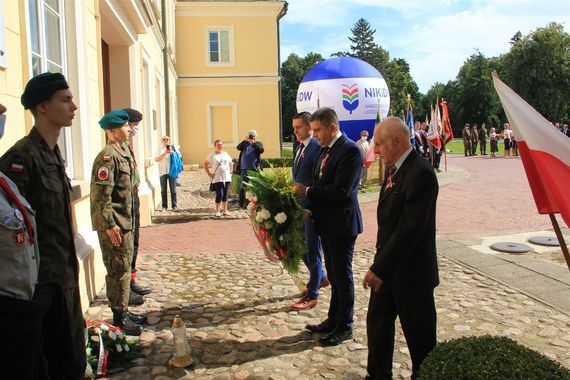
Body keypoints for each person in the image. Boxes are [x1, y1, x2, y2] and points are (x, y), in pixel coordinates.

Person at [0, 72, 86, 373]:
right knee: (53, 364)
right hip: (41, 289)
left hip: (65, 279)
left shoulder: (53, 154)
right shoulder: (21, 158)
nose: (73, 106)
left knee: (73, 358)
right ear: (43, 107)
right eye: (65, 100)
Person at [363, 116, 439, 380]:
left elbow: (410, 229)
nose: (378, 151)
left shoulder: (421, 173)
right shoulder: (396, 168)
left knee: (421, 339)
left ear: (397, 141)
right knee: (377, 325)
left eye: (380, 144)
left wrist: (378, 269)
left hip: (412, 274)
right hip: (388, 269)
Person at [293, 107, 363, 347]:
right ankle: (334, 319)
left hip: (342, 224)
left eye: (318, 130)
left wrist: (309, 192)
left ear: (332, 127)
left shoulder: (350, 150)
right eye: (312, 130)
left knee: (342, 276)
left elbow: (341, 190)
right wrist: (310, 209)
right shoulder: (326, 150)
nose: (315, 135)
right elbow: (322, 180)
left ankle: (345, 325)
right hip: (327, 222)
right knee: (333, 275)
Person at [90, 110, 146, 336]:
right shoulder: (107, 157)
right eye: (124, 126)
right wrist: (109, 225)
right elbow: (100, 196)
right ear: (111, 131)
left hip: (126, 222)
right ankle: (118, 316)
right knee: (117, 270)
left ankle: (123, 310)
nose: (129, 129)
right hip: (115, 225)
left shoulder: (123, 152)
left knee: (124, 268)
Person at [290, 112, 328, 311]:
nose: (295, 131)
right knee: (300, 246)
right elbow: (296, 175)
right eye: (294, 127)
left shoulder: (316, 148)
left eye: (298, 127)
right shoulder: (299, 147)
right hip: (299, 206)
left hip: (311, 208)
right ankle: (320, 277)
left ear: (309, 127)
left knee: (313, 251)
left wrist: (311, 204)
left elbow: (316, 179)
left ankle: (313, 294)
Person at [123, 108, 152, 302]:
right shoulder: (115, 151)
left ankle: (131, 282)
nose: (133, 130)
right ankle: (124, 291)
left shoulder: (126, 147)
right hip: (124, 205)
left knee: (134, 243)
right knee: (125, 249)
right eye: (132, 126)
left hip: (133, 200)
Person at [204, 139, 233, 217]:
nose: (220, 146)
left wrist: (231, 172)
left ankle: (225, 210)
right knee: (219, 194)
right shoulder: (212, 155)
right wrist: (209, 173)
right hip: (217, 178)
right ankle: (217, 211)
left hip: (226, 177)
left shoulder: (226, 154)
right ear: (215, 146)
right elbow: (205, 164)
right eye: (218, 145)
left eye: (221, 145)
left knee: (225, 194)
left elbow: (230, 162)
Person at [237, 130, 264, 208]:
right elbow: (238, 147)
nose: (251, 137)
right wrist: (246, 140)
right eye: (250, 136)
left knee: (255, 187)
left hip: (254, 169)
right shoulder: (245, 144)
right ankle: (241, 204)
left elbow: (261, 150)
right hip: (244, 169)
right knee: (242, 187)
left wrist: (253, 143)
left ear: (255, 136)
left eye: (253, 136)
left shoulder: (258, 143)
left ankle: (257, 204)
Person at [155, 135, 177, 210]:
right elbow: (156, 159)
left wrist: (172, 153)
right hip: (162, 171)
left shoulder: (173, 148)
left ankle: (174, 206)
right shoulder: (159, 149)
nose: (165, 141)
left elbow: (178, 157)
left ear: (169, 140)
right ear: (162, 141)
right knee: (163, 190)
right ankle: (164, 206)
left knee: (173, 190)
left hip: (172, 171)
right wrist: (164, 153)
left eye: (167, 139)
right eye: (164, 139)